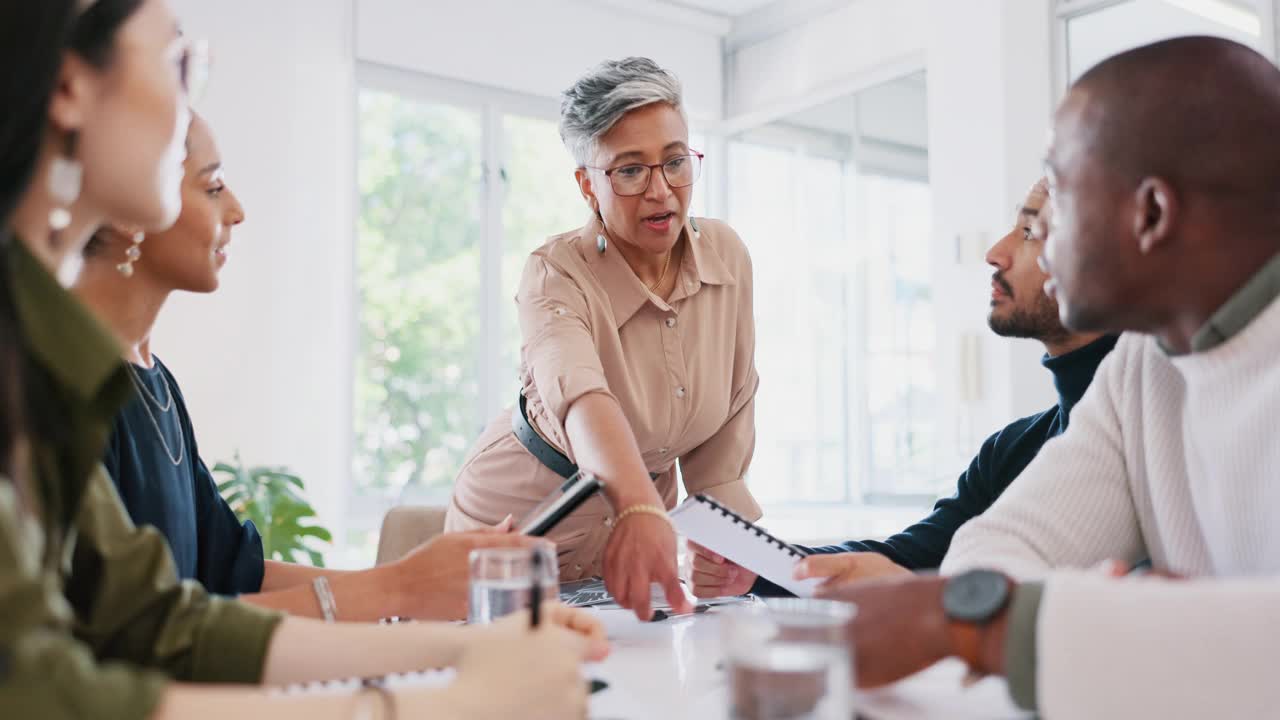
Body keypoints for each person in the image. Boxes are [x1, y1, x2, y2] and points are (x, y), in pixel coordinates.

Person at [0, 2, 605, 719]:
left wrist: (457, 653)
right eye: (176, 61)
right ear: (71, 88)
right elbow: (40, 691)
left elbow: (158, 621)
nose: (189, 100)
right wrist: (434, 705)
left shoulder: (48, 354)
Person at [819, 36, 1280, 718]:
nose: (1030, 239)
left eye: (1057, 196)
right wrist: (1127, 626)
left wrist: (990, 623)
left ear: (1149, 214)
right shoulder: (1141, 368)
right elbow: (992, 547)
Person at [75, 113, 544, 621]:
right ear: (128, 209)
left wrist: (418, 584)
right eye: (212, 187)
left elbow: (235, 571)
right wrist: (398, 588)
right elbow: (143, 632)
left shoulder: (154, 381)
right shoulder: (71, 392)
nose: (237, 210)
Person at [690, 179, 1117, 598]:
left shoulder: (1147, 442)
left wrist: (913, 592)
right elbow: (909, 558)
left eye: (1029, 233)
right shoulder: (1011, 450)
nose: (995, 253)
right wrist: (763, 570)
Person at [445, 57, 762, 620]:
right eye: (630, 171)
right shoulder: (555, 273)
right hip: (521, 521)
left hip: (633, 538)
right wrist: (641, 507)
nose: (661, 190)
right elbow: (583, 400)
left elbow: (728, 417)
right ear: (587, 185)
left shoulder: (726, 256)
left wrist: (730, 538)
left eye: (674, 161)